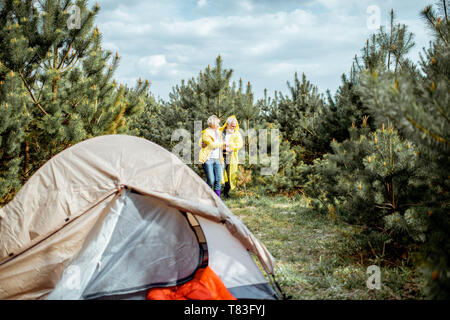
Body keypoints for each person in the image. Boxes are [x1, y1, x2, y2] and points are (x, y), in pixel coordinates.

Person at [199, 115, 225, 198]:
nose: (218, 124)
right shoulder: (206, 133)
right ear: (212, 124)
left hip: (218, 159)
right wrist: (223, 143)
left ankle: (217, 199)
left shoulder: (218, 132)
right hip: (208, 159)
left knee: (218, 180)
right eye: (217, 123)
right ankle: (206, 197)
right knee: (211, 180)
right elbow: (212, 145)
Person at [219, 115, 243, 199]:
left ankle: (226, 193)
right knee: (219, 174)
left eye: (235, 126)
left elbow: (239, 144)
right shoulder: (220, 131)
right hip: (220, 156)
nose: (234, 127)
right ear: (227, 124)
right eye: (232, 125)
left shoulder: (237, 133)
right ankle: (217, 193)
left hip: (231, 157)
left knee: (230, 175)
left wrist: (231, 146)